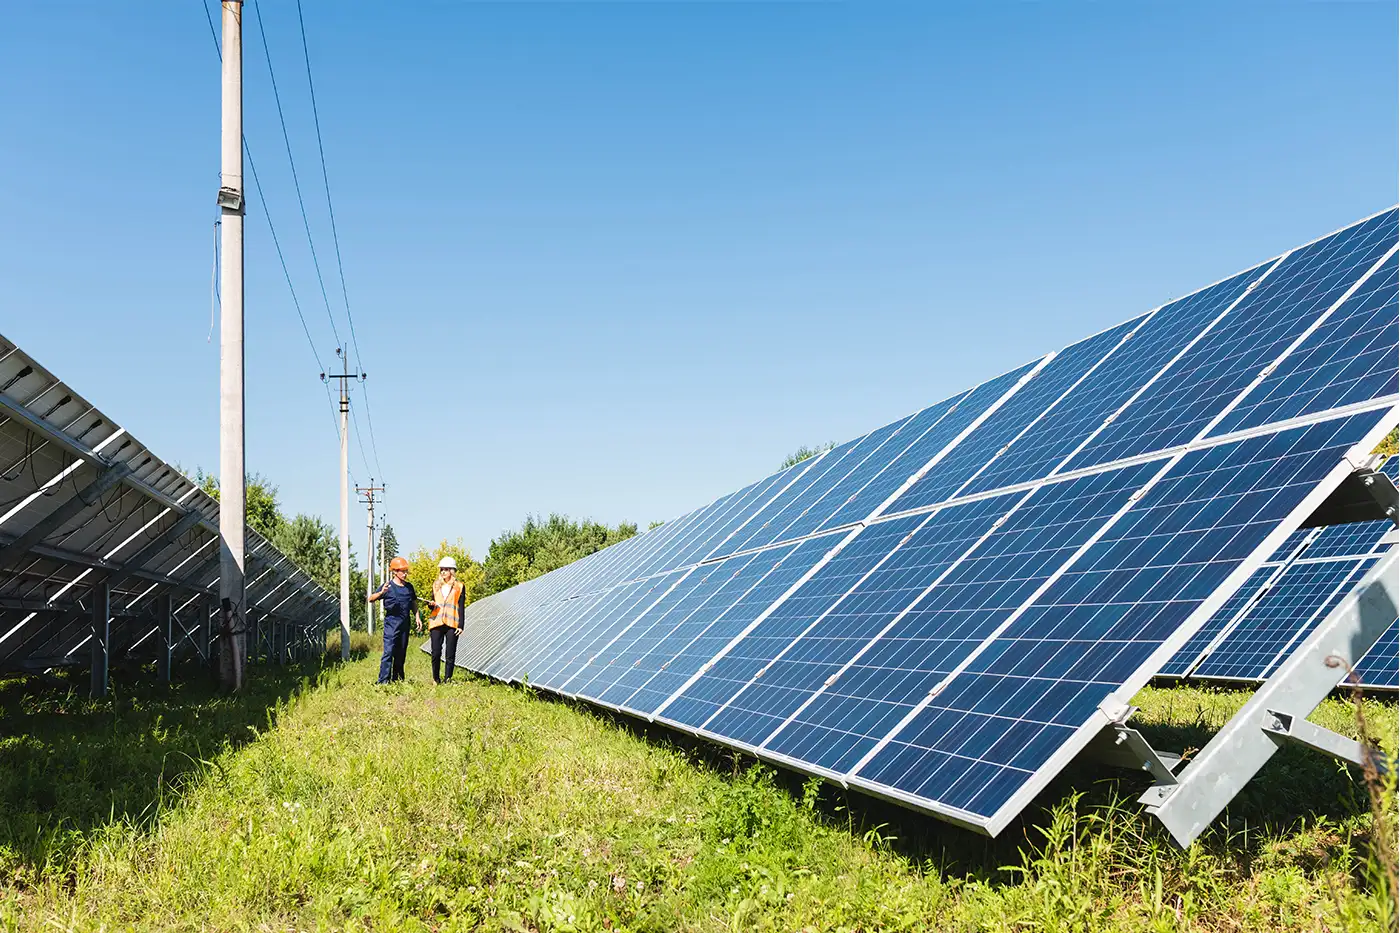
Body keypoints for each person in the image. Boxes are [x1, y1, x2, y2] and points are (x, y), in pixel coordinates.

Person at [369, 555, 417, 683]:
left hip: (405, 623)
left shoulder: (409, 587)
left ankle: (398, 680)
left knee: (401, 653)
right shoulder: (387, 586)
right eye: (403, 571)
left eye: (406, 571)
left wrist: (417, 616)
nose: (405, 574)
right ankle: (383, 681)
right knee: (389, 652)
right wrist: (381, 593)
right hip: (392, 623)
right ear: (395, 572)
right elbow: (370, 599)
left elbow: (413, 603)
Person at [426, 556, 467, 683]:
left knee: (450, 653)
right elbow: (432, 602)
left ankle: (448, 679)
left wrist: (461, 625)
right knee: (436, 652)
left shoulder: (459, 586)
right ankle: (436, 679)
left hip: (452, 622)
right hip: (436, 620)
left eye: (445, 569)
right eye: (441, 570)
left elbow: (461, 607)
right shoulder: (436, 585)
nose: (443, 572)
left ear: (452, 571)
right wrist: (430, 604)